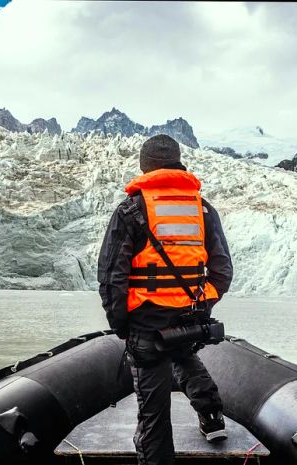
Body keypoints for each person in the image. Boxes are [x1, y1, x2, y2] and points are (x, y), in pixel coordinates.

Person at [97, 134, 234, 465]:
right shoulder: (202, 209)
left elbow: (111, 276)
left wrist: (121, 323)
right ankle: (212, 416)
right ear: (177, 164)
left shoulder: (133, 209)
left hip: (146, 320)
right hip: (189, 316)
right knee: (182, 353)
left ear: (145, 167)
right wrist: (201, 305)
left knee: (153, 420)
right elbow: (222, 270)